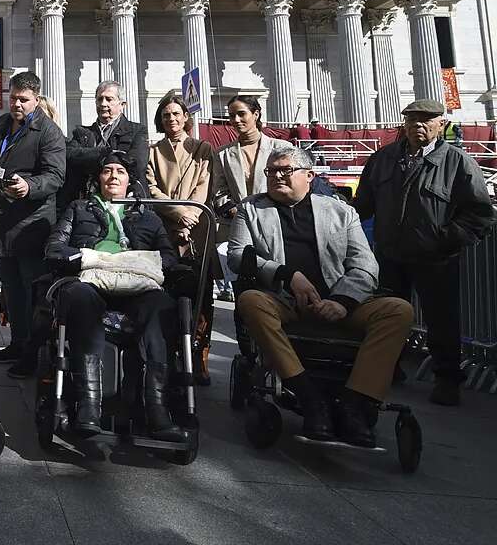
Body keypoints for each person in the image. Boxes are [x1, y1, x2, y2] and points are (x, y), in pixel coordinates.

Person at [230, 145, 413, 447]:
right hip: (284, 301)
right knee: (250, 300)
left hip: (338, 302)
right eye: (271, 171)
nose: (276, 176)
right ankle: (307, 395)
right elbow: (238, 255)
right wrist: (286, 275)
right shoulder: (251, 209)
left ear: (309, 176)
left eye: (285, 170)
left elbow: (365, 265)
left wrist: (342, 301)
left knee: (399, 310)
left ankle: (356, 403)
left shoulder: (341, 211)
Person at [354, 99, 496, 406]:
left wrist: (446, 240)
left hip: (437, 258)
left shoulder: (458, 162)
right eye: (413, 119)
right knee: (385, 316)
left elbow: (480, 214)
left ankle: (447, 379)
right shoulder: (382, 159)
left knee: (442, 321)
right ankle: (387, 369)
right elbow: (361, 207)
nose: (419, 124)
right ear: (403, 124)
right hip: (390, 255)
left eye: (427, 119)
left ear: (441, 124)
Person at [45, 152, 184, 440]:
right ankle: (89, 406)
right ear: (98, 178)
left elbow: (168, 257)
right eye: (107, 170)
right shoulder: (79, 208)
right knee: (80, 298)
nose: (113, 176)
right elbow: (55, 249)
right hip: (90, 281)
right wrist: (90, 258)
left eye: (120, 171)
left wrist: (138, 263)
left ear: (129, 180)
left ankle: (157, 408)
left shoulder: (149, 216)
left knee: (162, 306)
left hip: (138, 286)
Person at [0, 71, 66, 378]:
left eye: (23, 99)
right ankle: (18, 344)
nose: (16, 104)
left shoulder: (48, 131)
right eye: (13, 97)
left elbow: (56, 176)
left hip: (32, 223)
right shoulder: (2, 125)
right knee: (11, 291)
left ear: (36, 99)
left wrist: (29, 186)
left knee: (33, 293)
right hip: (3, 221)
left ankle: (34, 353)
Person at [145, 93, 216, 383]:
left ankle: (199, 355)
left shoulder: (203, 148)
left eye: (176, 114)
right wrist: (178, 215)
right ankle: (170, 352)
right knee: (167, 292)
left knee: (202, 296)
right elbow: (150, 188)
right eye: (166, 115)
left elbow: (205, 186)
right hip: (166, 229)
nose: (171, 119)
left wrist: (192, 217)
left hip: (197, 230)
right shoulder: (153, 151)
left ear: (186, 117)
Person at [210, 95, 278, 300]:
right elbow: (218, 193)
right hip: (237, 229)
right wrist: (240, 214)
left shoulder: (281, 148)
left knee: (275, 288)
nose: (236, 120)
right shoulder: (222, 154)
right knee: (243, 291)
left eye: (241, 114)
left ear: (256, 114)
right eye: (231, 116)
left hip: (275, 226)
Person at [61, 81, 149, 207]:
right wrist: (105, 153)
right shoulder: (82, 133)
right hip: (88, 202)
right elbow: (70, 156)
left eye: (109, 99)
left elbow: (137, 164)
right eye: (99, 99)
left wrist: (90, 159)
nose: (103, 103)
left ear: (122, 104)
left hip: (128, 202)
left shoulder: (138, 131)